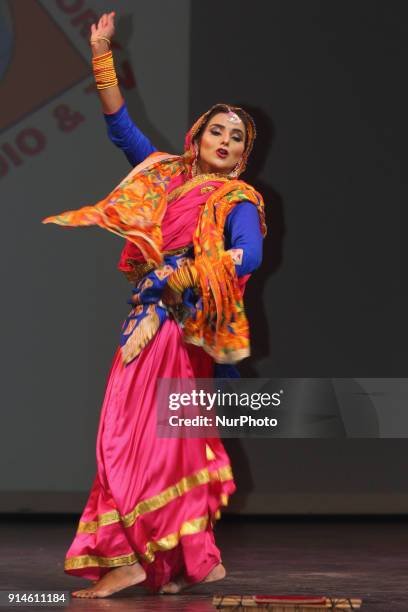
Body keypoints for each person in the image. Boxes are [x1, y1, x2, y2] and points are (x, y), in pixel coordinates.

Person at [42, 11, 266, 599]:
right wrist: (100, 55)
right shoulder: (166, 177)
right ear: (198, 136)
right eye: (217, 130)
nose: (225, 140)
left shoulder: (238, 198)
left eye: (236, 136)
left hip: (182, 325)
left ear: (243, 154)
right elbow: (120, 127)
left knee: (135, 435)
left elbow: (249, 256)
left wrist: (189, 270)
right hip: (147, 318)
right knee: (167, 440)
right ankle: (187, 557)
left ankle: (134, 558)